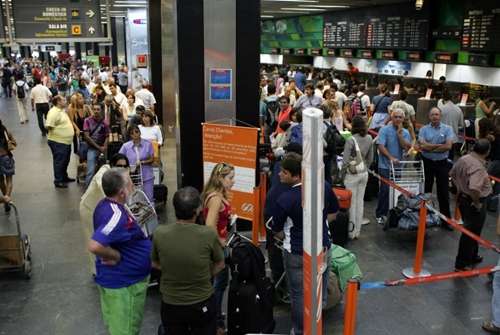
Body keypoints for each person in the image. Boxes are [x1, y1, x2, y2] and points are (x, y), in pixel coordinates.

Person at [271, 152, 339, 335]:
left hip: (295, 253)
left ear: (296, 175)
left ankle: (301, 330)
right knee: (320, 292)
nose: (279, 174)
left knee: (298, 295)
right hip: (322, 248)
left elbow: (276, 230)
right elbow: (333, 213)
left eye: (283, 172)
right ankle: (316, 325)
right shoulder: (324, 186)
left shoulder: (284, 199)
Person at [152, 187, 225, 335]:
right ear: (198, 210)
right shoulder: (208, 234)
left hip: (171, 304)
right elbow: (220, 264)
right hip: (202, 302)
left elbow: (154, 263)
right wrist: (204, 273)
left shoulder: (159, 233)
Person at [88, 168, 151, 335]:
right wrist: (115, 255)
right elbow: (95, 245)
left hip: (121, 282)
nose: (133, 186)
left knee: (119, 327)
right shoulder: (115, 215)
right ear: (122, 193)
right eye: (130, 183)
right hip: (124, 286)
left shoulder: (106, 205)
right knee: (125, 330)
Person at [80, 153, 130, 274]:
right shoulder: (104, 172)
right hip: (89, 208)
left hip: (103, 208)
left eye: (125, 166)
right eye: (119, 166)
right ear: (111, 165)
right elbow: (105, 188)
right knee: (93, 237)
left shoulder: (121, 174)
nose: (122, 168)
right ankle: (96, 271)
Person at [201, 162, 235, 334]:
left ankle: (216, 319)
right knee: (218, 285)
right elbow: (209, 226)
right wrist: (222, 243)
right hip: (216, 249)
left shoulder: (218, 195)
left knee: (220, 284)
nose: (233, 181)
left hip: (218, 247)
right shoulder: (215, 198)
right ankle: (214, 322)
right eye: (230, 178)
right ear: (220, 178)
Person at [450, 139, 492, 271]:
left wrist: (458, 189)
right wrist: (477, 203)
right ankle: (462, 263)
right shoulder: (478, 167)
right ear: (487, 152)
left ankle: (472, 255)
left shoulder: (464, 158)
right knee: (470, 233)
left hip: (463, 199)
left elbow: (452, 174)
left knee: (474, 230)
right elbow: (474, 188)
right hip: (473, 202)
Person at [417, 107, 454, 229]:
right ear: (429, 116)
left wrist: (430, 147)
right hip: (427, 162)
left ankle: (446, 221)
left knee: (443, 192)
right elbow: (423, 146)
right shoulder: (423, 129)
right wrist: (439, 146)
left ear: (440, 116)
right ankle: (425, 218)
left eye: (437, 114)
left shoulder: (448, 129)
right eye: (432, 114)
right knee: (426, 191)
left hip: (442, 164)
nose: (435, 116)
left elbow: (448, 146)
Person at [375, 109, 412, 224]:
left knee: (395, 191)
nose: (397, 119)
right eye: (395, 117)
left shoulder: (405, 132)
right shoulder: (384, 130)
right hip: (385, 166)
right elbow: (381, 146)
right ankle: (380, 214)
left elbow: (406, 148)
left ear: (403, 119)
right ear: (391, 117)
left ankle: (392, 213)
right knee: (385, 190)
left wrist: (399, 135)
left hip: (398, 167)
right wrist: (390, 157)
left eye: (400, 117)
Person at [342, 116, 374, 239]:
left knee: (351, 203)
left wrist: (341, 175)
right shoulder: (370, 138)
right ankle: (357, 232)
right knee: (360, 202)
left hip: (352, 174)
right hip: (364, 173)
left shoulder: (350, 140)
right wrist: (364, 167)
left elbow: (345, 161)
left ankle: (351, 232)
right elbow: (370, 159)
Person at [46, 95, 75, 188]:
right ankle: (58, 180)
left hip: (65, 142)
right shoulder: (53, 112)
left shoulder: (61, 110)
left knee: (65, 160)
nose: (66, 101)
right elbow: (48, 125)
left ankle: (64, 177)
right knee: (59, 161)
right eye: (64, 100)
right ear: (58, 101)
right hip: (58, 142)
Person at [119, 125, 154, 202]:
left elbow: (152, 159)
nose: (135, 134)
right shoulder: (126, 146)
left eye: (137, 132)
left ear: (140, 132)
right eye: (132, 133)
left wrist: (142, 162)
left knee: (149, 199)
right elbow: (119, 158)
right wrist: (126, 167)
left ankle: (151, 213)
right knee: (133, 200)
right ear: (130, 135)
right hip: (132, 177)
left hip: (147, 176)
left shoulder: (148, 144)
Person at [83, 104, 110, 186]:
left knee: (103, 171)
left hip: (102, 149)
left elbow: (107, 135)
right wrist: (99, 147)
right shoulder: (87, 121)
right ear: (92, 110)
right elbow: (87, 137)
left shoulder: (104, 122)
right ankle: (88, 191)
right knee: (90, 171)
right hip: (92, 148)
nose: (96, 111)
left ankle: (102, 190)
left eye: (98, 109)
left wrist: (105, 146)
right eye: (94, 109)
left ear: (101, 111)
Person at [438, 89, 464, 160]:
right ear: (452, 98)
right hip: (453, 139)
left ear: (443, 97)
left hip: (441, 138)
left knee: (440, 159)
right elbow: (461, 124)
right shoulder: (458, 109)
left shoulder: (440, 109)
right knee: (450, 161)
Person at [0, 119, 15, 212]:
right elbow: (14, 142)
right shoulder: (4, 130)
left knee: (0, 181)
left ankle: (5, 199)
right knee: (9, 179)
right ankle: (7, 198)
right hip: (6, 157)